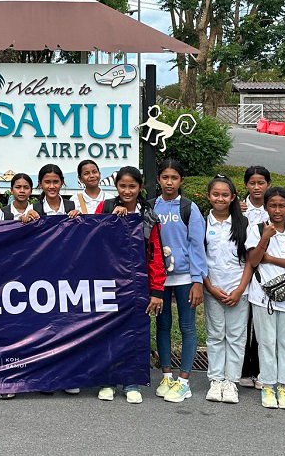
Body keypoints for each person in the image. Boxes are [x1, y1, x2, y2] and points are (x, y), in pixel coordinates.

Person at [149, 159, 207, 404]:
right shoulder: (151, 207)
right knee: (162, 326)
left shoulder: (189, 208)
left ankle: (184, 381)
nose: (169, 182)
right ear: (159, 180)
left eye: (174, 178)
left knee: (187, 327)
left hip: (184, 278)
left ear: (181, 180)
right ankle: (166, 375)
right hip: (159, 280)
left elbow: (197, 246)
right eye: (165, 177)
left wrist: (197, 280)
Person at [96, 165, 154, 404]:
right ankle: (107, 380)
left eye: (132, 186)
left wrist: (157, 289)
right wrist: (112, 219)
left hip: (138, 283)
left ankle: (131, 381)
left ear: (140, 187)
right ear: (116, 187)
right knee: (106, 330)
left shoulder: (148, 212)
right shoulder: (107, 207)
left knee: (135, 331)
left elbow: (155, 251)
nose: (127, 191)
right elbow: (92, 237)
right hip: (108, 280)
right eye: (123, 186)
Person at [247, 186, 285, 411]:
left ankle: (284, 386)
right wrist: (265, 238)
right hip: (262, 296)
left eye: (282, 205)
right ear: (265, 207)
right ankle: (268, 386)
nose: (277, 210)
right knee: (266, 342)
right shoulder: (256, 229)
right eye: (272, 205)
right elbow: (253, 260)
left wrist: (270, 258)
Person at [201, 175, 252, 405]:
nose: (220, 198)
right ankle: (215, 379)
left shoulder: (244, 224)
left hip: (238, 290)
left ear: (232, 197)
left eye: (225, 195)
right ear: (208, 196)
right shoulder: (202, 223)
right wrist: (210, 287)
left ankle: (231, 381)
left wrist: (240, 289)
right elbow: (199, 258)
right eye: (216, 194)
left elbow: (250, 261)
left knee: (236, 336)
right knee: (215, 334)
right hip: (213, 288)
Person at [239, 165, 271, 389]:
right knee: (243, 322)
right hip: (240, 269)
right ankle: (243, 370)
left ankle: (260, 370)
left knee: (262, 325)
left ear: (268, 184)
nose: (257, 187)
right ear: (246, 185)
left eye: (261, 183)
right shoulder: (238, 209)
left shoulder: (276, 208)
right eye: (252, 183)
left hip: (267, 272)